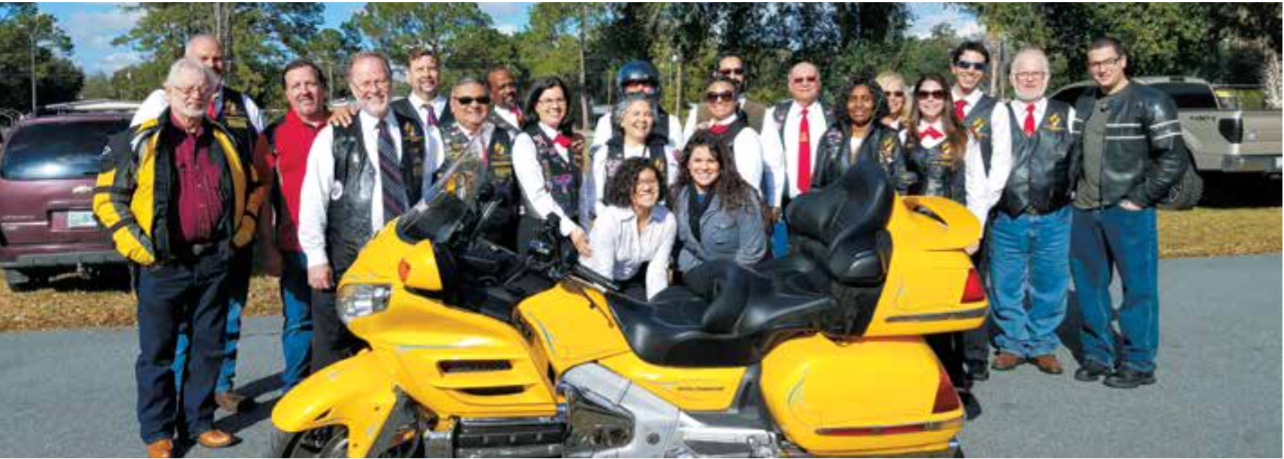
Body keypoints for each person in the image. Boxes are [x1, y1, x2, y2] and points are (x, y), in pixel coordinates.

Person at [94, 58, 265, 458]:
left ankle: (200, 422)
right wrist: (140, 248)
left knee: (208, 347)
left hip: (214, 261)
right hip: (163, 265)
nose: (194, 95)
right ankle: (158, 432)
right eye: (185, 89)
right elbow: (106, 197)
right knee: (158, 353)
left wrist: (242, 232)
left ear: (210, 94)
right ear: (168, 92)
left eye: (201, 89)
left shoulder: (227, 139)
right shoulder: (138, 141)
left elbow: (255, 187)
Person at [131, 34, 267, 414]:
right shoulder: (158, 106)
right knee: (171, 334)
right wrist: (143, 242)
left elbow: (259, 170)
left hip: (227, 242)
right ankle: (172, 402)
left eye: (218, 58)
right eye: (203, 57)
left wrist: (248, 228)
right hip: (170, 249)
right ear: (185, 62)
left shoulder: (244, 106)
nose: (213, 64)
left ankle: (218, 389)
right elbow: (131, 172)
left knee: (224, 321)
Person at [298, 52, 440, 372]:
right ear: (351, 86)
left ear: (392, 82)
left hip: (400, 257)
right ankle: (326, 422)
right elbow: (313, 201)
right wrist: (316, 258)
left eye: (381, 81)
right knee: (334, 346)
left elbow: (428, 189)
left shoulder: (416, 129)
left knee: (393, 345)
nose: (374, 89)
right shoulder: (333, 135)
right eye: (365, 83)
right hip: (347, 258)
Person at [1070, 37, 1187, 389]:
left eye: (1108, 61)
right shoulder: (1085, 101)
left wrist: (1139, 198)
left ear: (1123, 61)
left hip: (1128, 211)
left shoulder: (1151, 101)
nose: (1101, 69)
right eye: (1094, 63)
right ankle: (1098, 354)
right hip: (1085, 209)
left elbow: (1174, 158)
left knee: (1138, 288)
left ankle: (1139, 361)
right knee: (1090, 287)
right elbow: (1074, 153)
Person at [901, 73, 994, 420]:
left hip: (952, 236)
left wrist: (974, 232)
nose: (929, 99)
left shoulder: (963, 136)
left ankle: (959, 382)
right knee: (919, 309)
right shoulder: (903, 136)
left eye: (937, 93)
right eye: (923, 93)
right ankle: (925, 379)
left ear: (946, 98)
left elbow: (978, 188)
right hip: (915, 237)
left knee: (952, 311)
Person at [988, 48, 1079, 376]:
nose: (1028, 79)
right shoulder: (998, 112)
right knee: (1005, 284)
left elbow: (1077, 159)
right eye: (1021, 73)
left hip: (1053, 216)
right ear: (1011, 78)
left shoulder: (1065, 113)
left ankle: (1042, 344)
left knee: (1050, 283)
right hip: (1007, 216)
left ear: (1047, 77)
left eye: (1035, 73)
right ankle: (1012, 343)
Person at [257, 59, 332, 391]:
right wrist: (268, 248)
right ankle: (295, 390)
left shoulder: (344, 126)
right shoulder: (274, 136)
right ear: (287, 93)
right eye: (296, 85)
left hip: (341, 246)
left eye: (310, 83)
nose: (304, 91)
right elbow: (263, 197)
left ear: (323, 87)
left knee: (343, 323)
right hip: (295, 248)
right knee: (299, 323)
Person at [950, 40, 1014, 381]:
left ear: (984, 71)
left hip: (976, 209)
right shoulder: (936, 101)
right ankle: (943, 353)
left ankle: (975, 354)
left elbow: (1001, 163)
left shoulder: (996, 109)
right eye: (965, 64)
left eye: (977, 66)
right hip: (937, 211)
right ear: (954, 66)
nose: (970, 71)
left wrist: (979, 213)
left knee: (973, 282)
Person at [512, 76, 592, 256]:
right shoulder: (525, 141)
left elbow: (581, 190)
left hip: (573, 233)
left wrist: (584, 227)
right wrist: (571, 229)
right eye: (548, 100)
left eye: (560, 100)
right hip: (540, 233)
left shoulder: (570, 141)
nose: (555, 106)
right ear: (536, 105)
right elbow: (537, 194)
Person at [581, 157, 677, 300]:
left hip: (629, 281)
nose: (647, 187)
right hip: (593, 281)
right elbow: (602, 274)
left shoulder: (667, 219)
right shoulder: (609, 219)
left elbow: (657, 271)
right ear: (625, 186)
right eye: (638, 182)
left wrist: (657, 307)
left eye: (652, 181)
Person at [671, 132, 767, 274]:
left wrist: (723, 277)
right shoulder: (677, 195)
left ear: (721, 165)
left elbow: (752, 250)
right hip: (694, 274)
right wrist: (696, 273)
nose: (704, 167)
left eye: (711, 161)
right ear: (688, 164)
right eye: (697, 160)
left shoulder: (742, 195)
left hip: (737, 277)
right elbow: (683, 246)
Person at [760, 61, 830, 257]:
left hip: (822, 201)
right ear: (790, 84)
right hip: (785, 202)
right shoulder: (773, 114)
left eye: (811, 79)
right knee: (784, 258)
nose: (805, 84)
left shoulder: (834, 116)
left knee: (819, 258)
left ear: (819, 83)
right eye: (799, 79)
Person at [814, 72, 909, 192]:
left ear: (875, 102)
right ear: (845, 103)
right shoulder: (831, 136)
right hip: (836, 208)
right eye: (853, 99)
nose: (859, 105)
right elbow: (817, 185)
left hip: (876, 209)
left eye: (866, 99)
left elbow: (901, 184)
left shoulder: (888, 137)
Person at [685, 75, 776, 196]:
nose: (719, 100)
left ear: (736, 101)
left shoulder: (746, 136)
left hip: (731, 208)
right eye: (713, 96)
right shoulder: (700, 132)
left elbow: (748, 188)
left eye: (726, 96)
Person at [590, 94, 680, 216]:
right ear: (621, 120)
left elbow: (672, 195)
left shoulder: (665, 153)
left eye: (647, 114)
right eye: (636, 114)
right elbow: (597, 197)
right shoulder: (606, 153)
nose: (642, 119)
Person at [591, 60, 685, 150]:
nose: (640, 89)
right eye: (634, 84)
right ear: (622, 89)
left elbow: (676, 161)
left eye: (646, 84)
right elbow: (599, 160)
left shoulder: (671, 122)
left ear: (656, 88)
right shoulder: (607, 122)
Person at [682, 54, 769, 136]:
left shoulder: (762, 113)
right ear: (716, 74)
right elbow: (684, 149)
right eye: (726, 72)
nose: (732, 76)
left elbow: (773, 151)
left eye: (738, 71)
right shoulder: (698, 112)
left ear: (744, 75)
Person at [390, 48, 452, 131]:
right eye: (420, 69)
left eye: (432, 68)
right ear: (408, 76)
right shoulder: (393, 112)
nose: (426, 74)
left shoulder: (457, 108)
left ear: (440, 74)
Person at [487, 67, 524, 132]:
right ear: (491, 94)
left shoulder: (532, 109)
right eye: (502, 87)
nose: (509, 91)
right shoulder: (490, 124)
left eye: (511, 84)